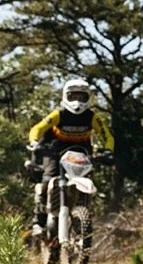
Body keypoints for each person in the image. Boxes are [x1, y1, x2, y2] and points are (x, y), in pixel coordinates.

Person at [27, 78, 114, 233]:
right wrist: (35, 143)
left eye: (82, 97)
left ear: (88, 98)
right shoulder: (58, 114)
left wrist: (108, 151)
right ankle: (38, 221)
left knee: (87, 182)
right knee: (48, 180)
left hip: (81, 154)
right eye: (73, 96)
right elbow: (37, 128)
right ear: (65, 96)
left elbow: (107, 136)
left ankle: (82, 215)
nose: (77, 101)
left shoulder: (92, 117)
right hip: (54, 153)